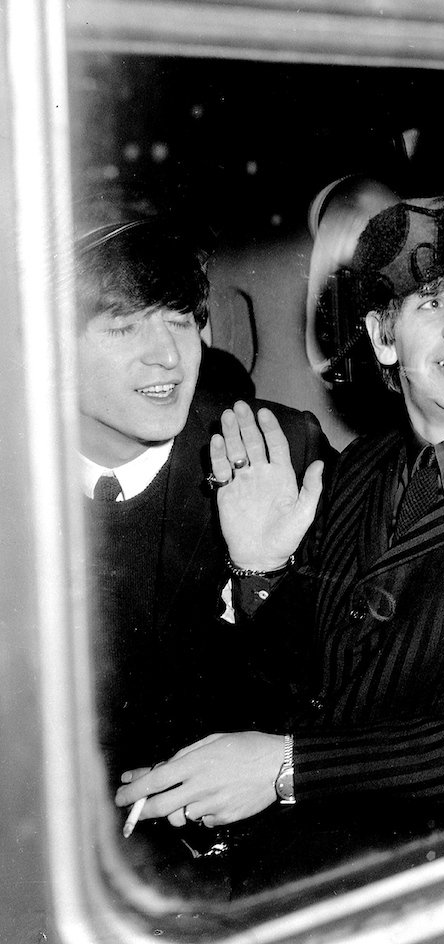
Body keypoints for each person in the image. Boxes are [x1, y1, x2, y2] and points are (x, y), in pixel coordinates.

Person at [114, 196, 444, 877]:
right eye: (432, 304)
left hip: (433, 857)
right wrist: (262, 569)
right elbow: (302, 677)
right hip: (307, 834)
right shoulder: (359, 467)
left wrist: (281, 768)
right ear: (384, 338)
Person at [74, 215, 331, 882]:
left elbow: (329, 706)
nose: (167, 356)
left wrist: (261, 573)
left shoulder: (280, 454)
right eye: (124, 324)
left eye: (182, 318)